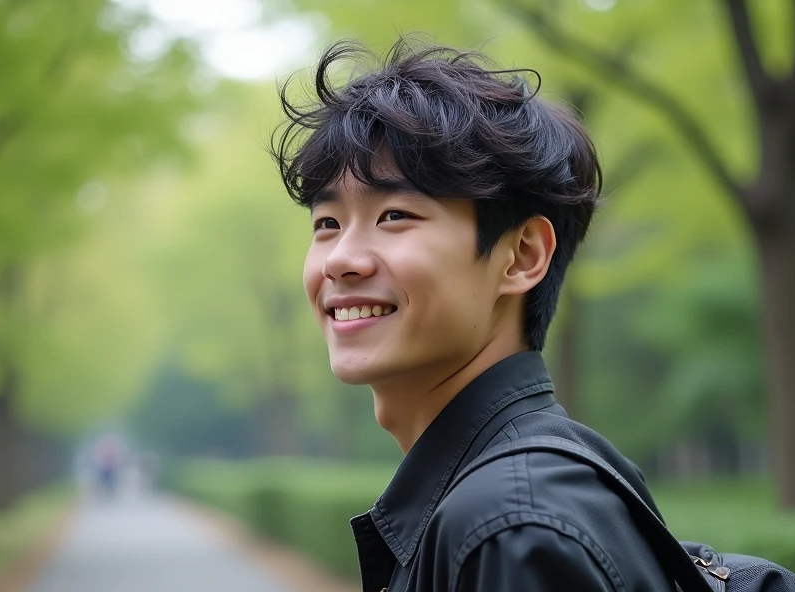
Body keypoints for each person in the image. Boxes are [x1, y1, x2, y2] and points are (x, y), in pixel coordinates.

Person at [272, 37, 675, 592]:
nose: (341, 260)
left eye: (394, 215)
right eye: (327, 224)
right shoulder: (525, 489)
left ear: (523, 256)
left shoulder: (510, 529)